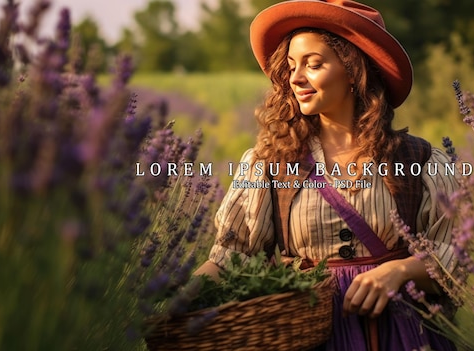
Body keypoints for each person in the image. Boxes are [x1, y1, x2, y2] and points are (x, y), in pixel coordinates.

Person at [194, 1, 459, 350]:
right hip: (308, 335)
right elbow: (230, 257)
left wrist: (401, 271)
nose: (296, 78)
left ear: (353, 71)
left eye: (313, 64)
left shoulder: (420, 159)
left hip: (405, 335)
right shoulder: (268, 164)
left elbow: (456, 256)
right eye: (290, 67)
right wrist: (176, 302)